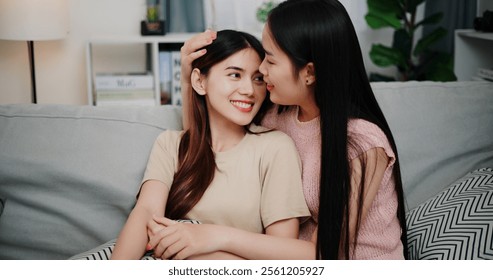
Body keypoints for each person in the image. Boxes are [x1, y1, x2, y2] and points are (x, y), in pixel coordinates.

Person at [176, 0, 409, 260]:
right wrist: (188, 78)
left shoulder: (364, 144)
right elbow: (204, 142)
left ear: (309, 73)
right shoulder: (277, 115)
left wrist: (215, 235)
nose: (261, 71)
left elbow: (324, 252)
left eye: (271, 61)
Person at [110, 29, 311, 260]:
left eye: (257, 79)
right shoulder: (171, 144)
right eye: (235, 75)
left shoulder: (275, 148)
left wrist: (209, 237)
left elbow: (283, 255)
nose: (249, 90)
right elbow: (146, 212)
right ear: (199, 81)